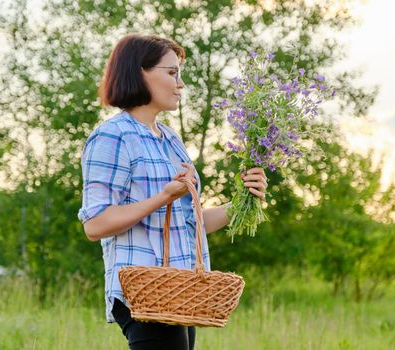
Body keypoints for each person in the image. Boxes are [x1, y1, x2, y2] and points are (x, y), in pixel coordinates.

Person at [78, 33, 268, 350]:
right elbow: (95, 224)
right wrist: (164, 197)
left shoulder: (170, 139)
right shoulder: (113, 136)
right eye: (171, 72)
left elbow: (189, 224)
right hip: (145, 292)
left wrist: (243, 202)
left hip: (181, 291)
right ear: (140, 72)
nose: (180, 84)